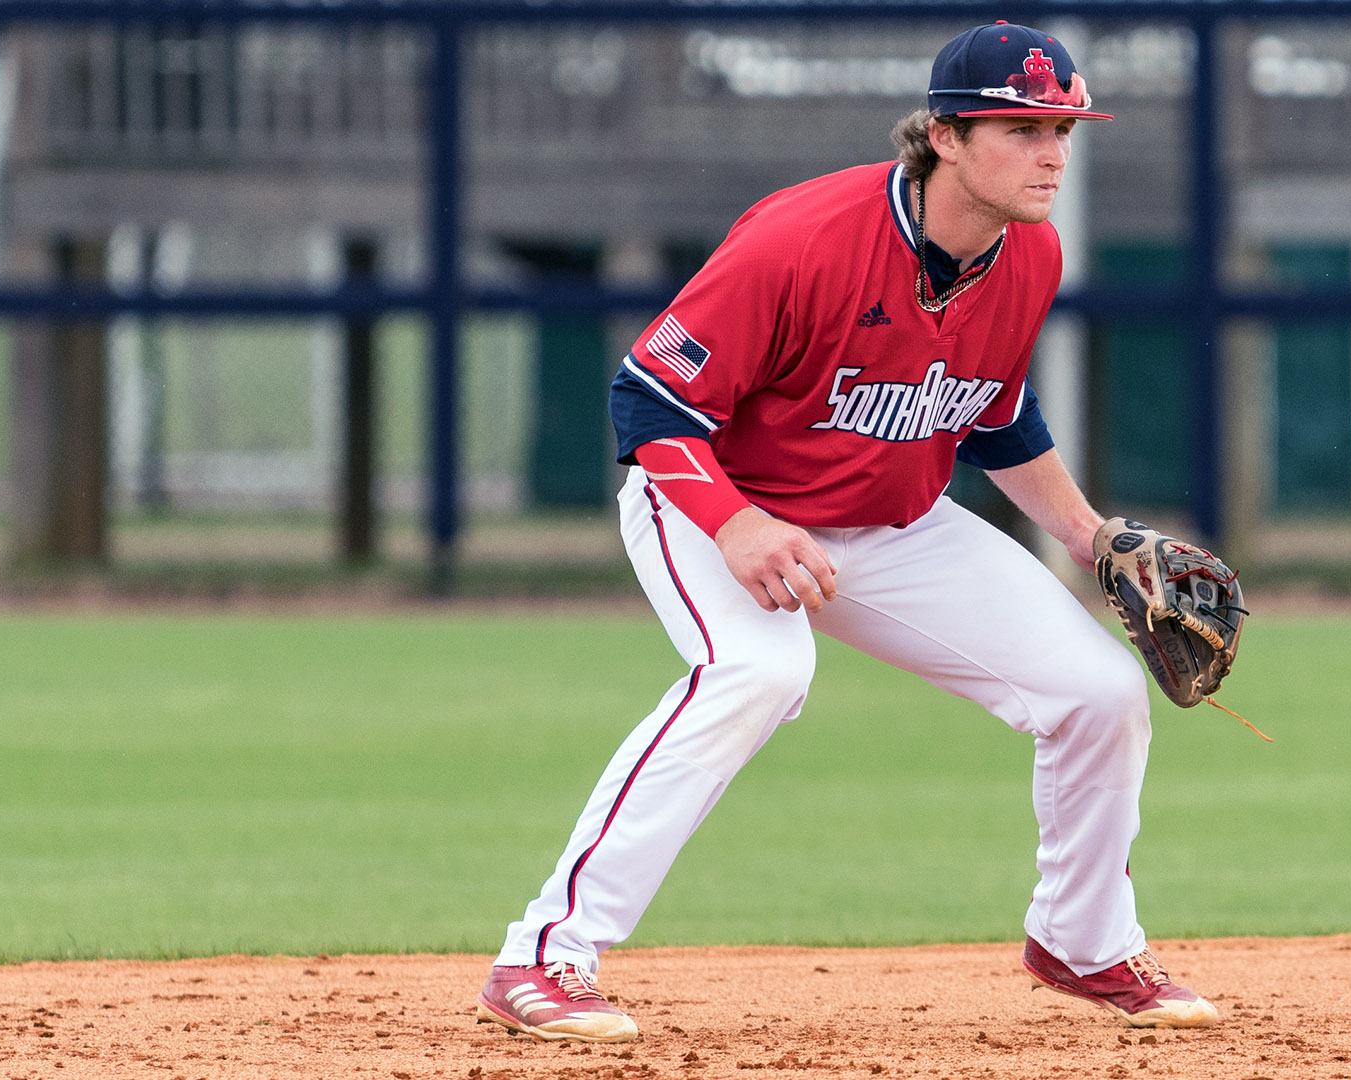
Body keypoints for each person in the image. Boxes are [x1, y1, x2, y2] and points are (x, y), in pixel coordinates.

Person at [474, 22, 1217, 1042]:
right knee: (759, 673)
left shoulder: (1028, 253)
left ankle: (1084, 944)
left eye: (1065, 129)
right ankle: (545, 954)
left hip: (892, 522)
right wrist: (734, 525)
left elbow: (993, 412)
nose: (1054, 153)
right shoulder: (802, 239)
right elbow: (647, 403)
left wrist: (1089, 535)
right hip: (713, 498)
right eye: (1024, 128)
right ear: (946, 137)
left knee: (1096, 694)